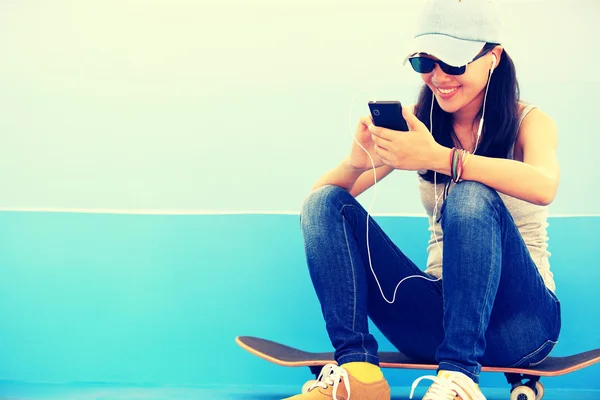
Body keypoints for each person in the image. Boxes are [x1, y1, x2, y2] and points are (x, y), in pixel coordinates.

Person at [284, 0, 562, 399]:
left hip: (522, 324)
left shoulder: (530, 121)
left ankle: (459, 380)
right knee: (325, 203)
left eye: (453, 64)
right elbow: (318, 208)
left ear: (493, 58)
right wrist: (354, 162)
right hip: (438, 324)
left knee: (468, 195)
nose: (438, 77)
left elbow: (544, 184)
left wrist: (442, 158)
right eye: (425, 64)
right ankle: (358, 375)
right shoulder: (421, 122)